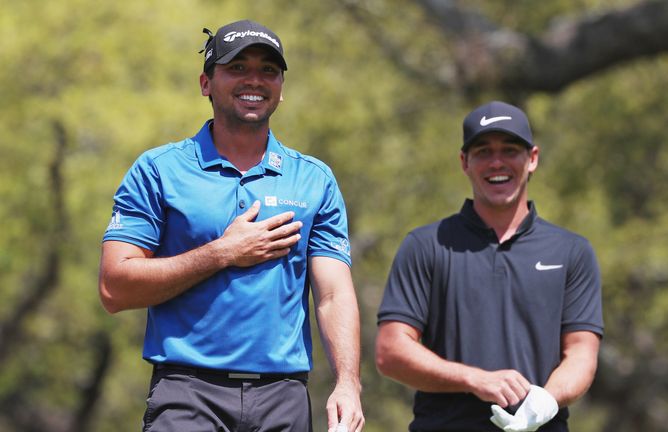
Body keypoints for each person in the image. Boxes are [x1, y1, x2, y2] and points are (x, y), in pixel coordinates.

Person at [99, 19, 364, 432]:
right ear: (206, 83)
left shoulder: (315, 179)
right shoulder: (159, 170)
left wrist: (348, 384)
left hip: (285, 397)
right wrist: (222, 252)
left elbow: (333, 294)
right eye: (237, 68)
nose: (254, 80)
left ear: (281, 86)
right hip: (188, 393)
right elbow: (115, 288)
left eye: (268, 70)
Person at [375, 101, 603, 432]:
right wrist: (473, 379)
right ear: (464, 162)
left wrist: (546, 400)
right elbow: (390, 351)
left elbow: (581, 353)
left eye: (510, 150)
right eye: (483, 151)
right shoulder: (427, 245)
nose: (497, 162)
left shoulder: (571, 251)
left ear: (533, 159)